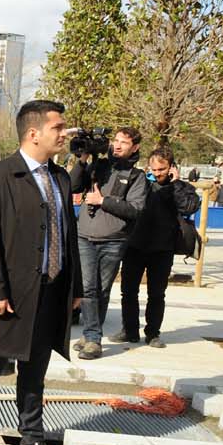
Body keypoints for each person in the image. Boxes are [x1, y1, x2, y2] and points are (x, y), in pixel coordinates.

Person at [0, 100, 83, 445]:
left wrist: (74, 287)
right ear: (34, 133)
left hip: (49, 289)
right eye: (58, 127)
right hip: (7, 295)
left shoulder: (60, 177)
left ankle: (32, 436)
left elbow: (67, 235)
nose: (64, 133)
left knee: (36, 370)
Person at [71, 127, 148, 360]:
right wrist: (83, 159)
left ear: (134, 147)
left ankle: (90, 333)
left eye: (124, 142)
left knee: (101, 290)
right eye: (115, 140)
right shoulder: (99, 166)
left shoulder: (137, 176)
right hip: (84, 236)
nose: (117, 145)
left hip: (114, 240)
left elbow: (135, 210)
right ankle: (94, 338)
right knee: (88, 288)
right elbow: (74, 186)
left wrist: (103, 201)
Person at [117, 148, 200, 348]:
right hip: (135, 246)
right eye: (153, 169)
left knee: (156, 294)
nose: (157, 173)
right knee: (128, 291)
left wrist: (176, 184)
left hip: (162, 249)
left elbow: (189, 208)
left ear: (171, 167)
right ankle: (129, 330)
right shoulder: (141, 184)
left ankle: (153, 333)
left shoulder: (181, 187)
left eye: (162, 169)